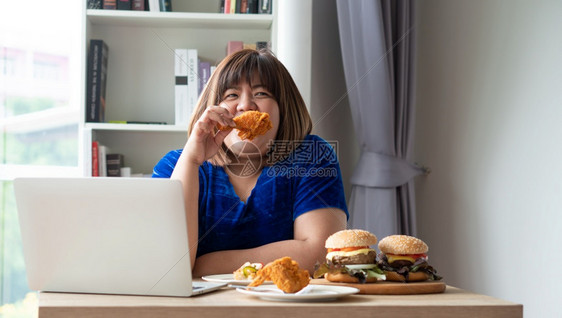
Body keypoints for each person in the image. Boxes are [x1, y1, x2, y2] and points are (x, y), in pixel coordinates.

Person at [152, 49, 348, 277]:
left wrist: (203, 265)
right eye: (231, 95)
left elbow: (318, 254)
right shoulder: (176, 165)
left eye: (262, 93)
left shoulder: (313, 156)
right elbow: (170, 266)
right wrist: (192, 160)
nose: (245, 105)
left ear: (283, 109)